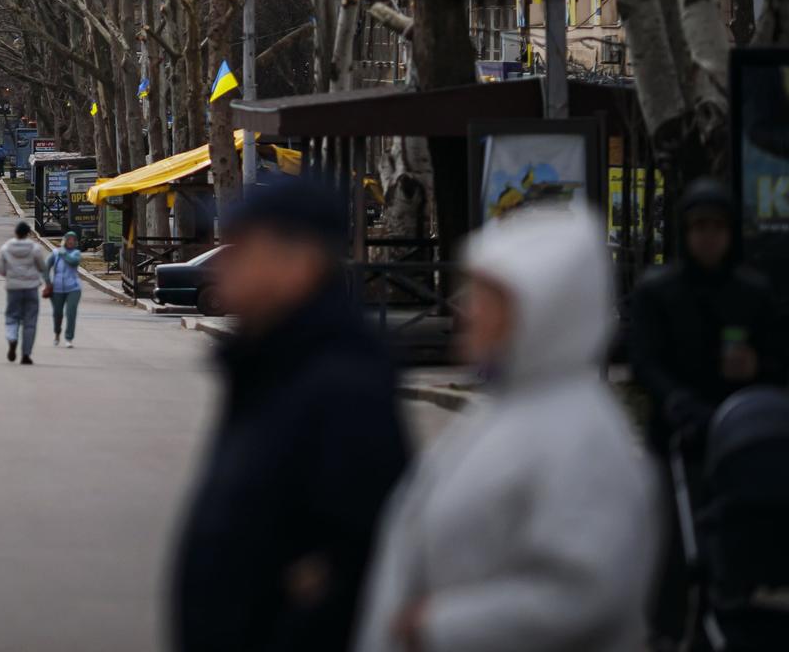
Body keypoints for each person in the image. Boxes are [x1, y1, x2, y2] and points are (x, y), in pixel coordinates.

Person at [353, 205, 657, 652]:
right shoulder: (512, 408)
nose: (467, 309)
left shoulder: (581, 435)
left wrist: (439, 626)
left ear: (543, 309)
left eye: (488, 296)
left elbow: (586, 591)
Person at [172, 177, 407, 652]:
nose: (225, 263)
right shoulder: (269, 365)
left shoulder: (342, 387)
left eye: (243, 248)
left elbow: (350, 562)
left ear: (300, 262)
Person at [629, 179, 788, 641]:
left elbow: (779, 357)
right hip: (678, 437)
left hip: (742, 440)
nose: (708, 237)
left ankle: (726, 618)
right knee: (671, 544)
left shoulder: (752, 292)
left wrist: (758, 365)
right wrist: (676, 401)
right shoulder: (658, 292)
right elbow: (644, 359)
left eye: (717, 227)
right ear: (684, 232)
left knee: (739, 541)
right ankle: (665, 630)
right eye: (699, 227)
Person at [0, 222, 49, 365]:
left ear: (16, 233)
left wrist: (12, 274)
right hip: (31, 288)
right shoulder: (35, 249)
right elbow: (42, 267)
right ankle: (26, 354)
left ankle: (12, 338)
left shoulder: (6, 248)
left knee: (12, 317)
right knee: (30, 321)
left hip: (13, 288)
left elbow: (1, 270)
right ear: (28, 233)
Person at [46, 231, 84, 348]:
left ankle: (69, 338)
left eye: (73, 240)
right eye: (69, 239)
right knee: (58, 313)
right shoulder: (55, 253)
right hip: (57, 288)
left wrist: (64, 254)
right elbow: (45, 267)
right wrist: (48, 282)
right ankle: (57, 332)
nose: (71, 242)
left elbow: (73, 262)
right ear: (64, 241)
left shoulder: (76, 253)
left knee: (71, 312)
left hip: (73, 288)